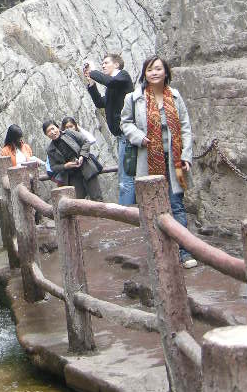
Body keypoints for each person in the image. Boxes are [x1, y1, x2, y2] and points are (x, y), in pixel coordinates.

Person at [120, 56, 197, 269]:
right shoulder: (133, 98)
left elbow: (185, 127)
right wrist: (138, 136)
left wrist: (186, 156)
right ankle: (158, 251)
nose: (154, 73)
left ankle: (184, 252)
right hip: (147, 158)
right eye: (149, 70)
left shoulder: (175, 95)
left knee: (177, 205)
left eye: (158, 69)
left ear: (165, 72)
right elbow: (125, 123)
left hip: (175, 161)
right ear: (144, 73)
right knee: (152, 206)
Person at [83, 53, 134, 206]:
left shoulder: (123, 77)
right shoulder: (113, 86)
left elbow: (110, 82)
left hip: (128, 134)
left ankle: (126, 213)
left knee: (126, 178)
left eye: (106, 63)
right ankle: (131, 211)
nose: (103, 65)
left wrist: (92, 71)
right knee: (126, 176)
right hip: (121, 136)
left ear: (116, 64)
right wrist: (91, 82)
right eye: (102, 63)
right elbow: (100, 102)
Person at [42, 119, 104, 201]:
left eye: (53, 128)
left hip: (86, 167)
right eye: (48, 131)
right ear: (46, 135)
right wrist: (65, 166)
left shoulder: (69, 133)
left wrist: (82, 156)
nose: (52, 132)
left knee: (97, 197)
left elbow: (85, 141)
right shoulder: (50, 149)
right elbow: (53, 167)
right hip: (72, 175)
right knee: (78, 202)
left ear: (57, 127)